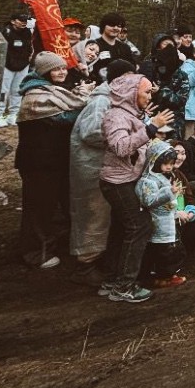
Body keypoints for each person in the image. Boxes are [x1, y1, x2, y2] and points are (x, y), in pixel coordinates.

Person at [99, 72, 173, 303]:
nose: (150, 96)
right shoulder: (116, 117)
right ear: (131, 93)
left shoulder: (130, 114)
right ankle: (124, 286)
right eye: (146, 91)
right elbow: (121, 147)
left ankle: (112, 279)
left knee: (121, 229)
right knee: (139, 226)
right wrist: (150, 128)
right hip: (117, 182)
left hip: (125, 179)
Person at [67, 58, 136, 287]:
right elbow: (91, 132)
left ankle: (104, 259)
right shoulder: (101, 101)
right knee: (93, 215)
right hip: (92, 168)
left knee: (107, 214)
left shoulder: (119, 99)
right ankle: (85, 264)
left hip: (107, 167)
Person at [14, 51, 86, 269]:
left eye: (63, 68)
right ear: (45, 71)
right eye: (56, 69)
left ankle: (55, 243)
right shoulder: (35, 96)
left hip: (54, 160)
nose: (62, 71)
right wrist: (86, 107)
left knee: (57, 205)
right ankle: (37, 253)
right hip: (38, 163)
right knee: (40, 208)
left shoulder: (54, 91)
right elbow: (63, 119)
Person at [135, 139, 192, 287]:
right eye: (165, 163)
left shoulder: (165, 177)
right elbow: (149, 201)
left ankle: (167, 275)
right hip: (157, 222)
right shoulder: (148, 181)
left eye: (171, 163)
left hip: (168, 220)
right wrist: (169, 192)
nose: (169, 167)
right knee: (159, 251)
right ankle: (160, 277)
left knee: (169, 250)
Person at [0, 11, 35, 127]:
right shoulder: (6, 32)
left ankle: (13, 114)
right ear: (13, 21)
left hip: (23, 65)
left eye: (25, 21)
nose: (24, 23)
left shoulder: (28, 32)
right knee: (3, 91)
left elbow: (29, 47)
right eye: (21, 20)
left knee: (17, 91)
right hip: (8, 65)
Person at [93, 12, 135, 83]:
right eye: (112, 25)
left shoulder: (125, 47)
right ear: (103, 26)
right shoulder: (94, 45)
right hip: (101, 87)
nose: (115, 28)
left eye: (119, 26)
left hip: (123, 88)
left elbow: (132, 69)